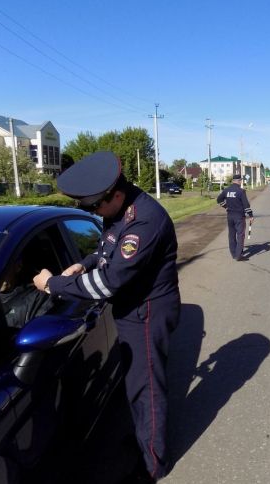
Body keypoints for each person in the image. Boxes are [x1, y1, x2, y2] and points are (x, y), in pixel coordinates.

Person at [32, 151, 180, 483]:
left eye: (94, 207)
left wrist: (54, 283)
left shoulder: (145, 221)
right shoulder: (117, 211)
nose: (92, 212)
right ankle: (146, 438)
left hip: (147, 313)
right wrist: (81, 264)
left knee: (147, 389)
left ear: (114, 194)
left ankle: (153, 466)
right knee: (134, 381)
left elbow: (108, 282)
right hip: (133, 310)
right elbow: (104, 249)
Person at [216, 174, 254, 261]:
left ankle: (233, 253)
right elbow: (246, 205)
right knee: (240, 235)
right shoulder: (241, 191)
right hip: (239, 216)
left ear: (233, 181)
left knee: (231, 235)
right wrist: (251, 215)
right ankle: (238, 255)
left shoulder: (226, 190)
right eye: (241, 180)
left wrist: (226, 207)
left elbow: (219, 200)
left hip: (230, 216)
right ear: (239, 181)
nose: (241, 182)